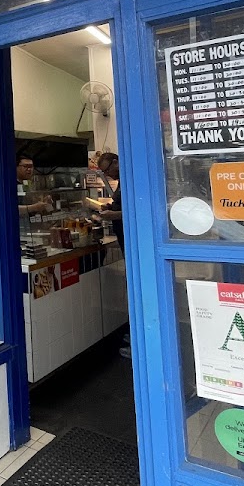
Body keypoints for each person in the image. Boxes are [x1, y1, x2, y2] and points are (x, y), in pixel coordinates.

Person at [96, 151, 129, 357]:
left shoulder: (130, 177)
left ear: (116, 162)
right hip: (125, 239)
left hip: (133, 240)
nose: (109, 175)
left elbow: (137, 210)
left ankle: (141, 340)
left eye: (108, 170)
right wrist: (111, 206)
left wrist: (113, 214)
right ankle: (136, 333)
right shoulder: (122, 180)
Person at [15, 155, 53, 219]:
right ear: (16, 167)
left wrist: (44, 203)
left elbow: (30, 208)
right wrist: (33, 207)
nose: (29, 169)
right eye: (25, 166)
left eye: (31, 166)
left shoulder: (26, 184)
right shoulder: (9, 185)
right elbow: (11, 207)